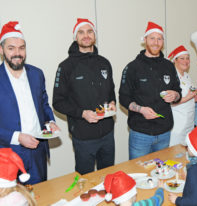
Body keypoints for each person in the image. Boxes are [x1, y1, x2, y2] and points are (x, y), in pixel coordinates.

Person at [52, 18, 116, 175]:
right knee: (85, 180)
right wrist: (82, 113)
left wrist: (113, 102)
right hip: (83, 136)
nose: (86, 35)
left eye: (89, 31)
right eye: (81, 32)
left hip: (107, 133)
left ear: (94, 35)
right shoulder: (66, 66)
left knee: (107, 176)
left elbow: (111, 90)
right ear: (75, 37)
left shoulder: (105, 63)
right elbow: (58, 102)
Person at [0, 21, 60, 184]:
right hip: (8, 154)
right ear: (1, 50)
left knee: (39, 196)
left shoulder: (37, 74)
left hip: (38, 150)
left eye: (21, 48)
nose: (17, 53)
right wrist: (18, 137)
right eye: (11, 48)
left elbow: (44, 104)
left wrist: (51, 121)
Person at [119, 21, 181, 159]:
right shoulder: (132, 67)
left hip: (165, 132)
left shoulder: (169, 66)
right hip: (140, 134)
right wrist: (141, 110)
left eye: (159, 39)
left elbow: (178, 91)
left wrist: (175, 95)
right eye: (152, 38)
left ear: (163, 42)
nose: (156, 42)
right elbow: (123, 98)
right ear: (145, 40)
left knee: (161, 173)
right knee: (138, 173)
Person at [168, 45, 196, 146]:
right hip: (177, 126)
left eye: (187, 58)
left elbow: (193, 92)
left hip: (189, 124)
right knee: (174, 156)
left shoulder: (187, 75)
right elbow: (170, 103)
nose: (186, 61)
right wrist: (189, 97)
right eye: (182, 58)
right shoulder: (171, 77)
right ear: (175, 60)